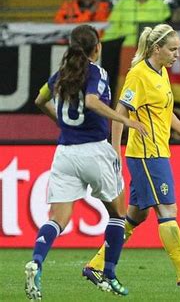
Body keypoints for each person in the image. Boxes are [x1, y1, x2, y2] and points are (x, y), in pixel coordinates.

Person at [25, 24, 147, 300]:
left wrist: (63, 124)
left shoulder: (62, 75)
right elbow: (91, 101)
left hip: (66, 153)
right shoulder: (97, 72)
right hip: (94, 150)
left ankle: (37, 261)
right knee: (117, 214)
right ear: (97, 48)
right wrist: (125, 120)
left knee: (58, 218)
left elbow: (40, 99)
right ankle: (109, 273)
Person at [82, 23, 180, 287]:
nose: (176, 54)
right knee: (167, 209)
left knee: (137, 215)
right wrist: (115, 149)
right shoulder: (138, 74)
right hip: (146, 154)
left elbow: (166, 111)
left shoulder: (161, 72)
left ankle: (94, 266)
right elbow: (120, 111)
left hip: (159, 152)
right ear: (156, 48)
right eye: (172, 49)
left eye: (178, 49)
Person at [103, 0, 171, 46]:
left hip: (151, 49)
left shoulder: (161, 4)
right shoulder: (122, 3)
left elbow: (166, 30)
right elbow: (112, 29)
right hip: (126, 48)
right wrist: (104, 46)